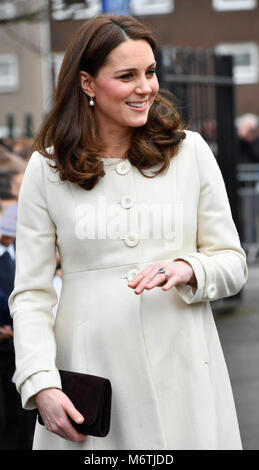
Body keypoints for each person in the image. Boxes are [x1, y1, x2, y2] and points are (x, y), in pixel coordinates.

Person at [8, 15, 247, 450]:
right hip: (90, 374)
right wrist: (40, 382)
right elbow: (31, 294)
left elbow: (232, 262)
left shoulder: (189, 152)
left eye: (150, 72)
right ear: (87, 83)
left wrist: (188, 267)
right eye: (127, 76)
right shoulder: (47, 169)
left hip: (186, 367)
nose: (146, 87)